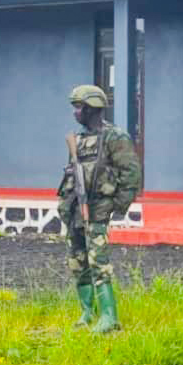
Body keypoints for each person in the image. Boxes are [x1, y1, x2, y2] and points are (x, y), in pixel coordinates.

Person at [57, 84, 141, 333]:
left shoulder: (115, 137)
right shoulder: (79, 140)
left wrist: (119, 205)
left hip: (98, 210)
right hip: (75, 211)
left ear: (93, 108)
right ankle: (87, 312)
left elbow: (131, 173)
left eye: (79, 107)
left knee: (98, 263)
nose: (75, 112)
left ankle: (109, 317)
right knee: (77, 262)